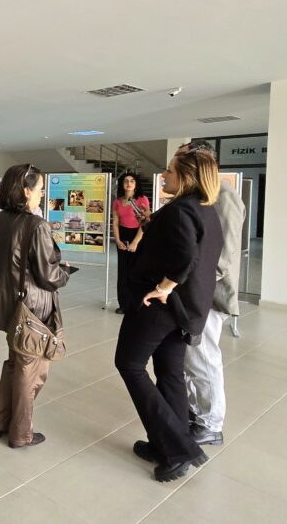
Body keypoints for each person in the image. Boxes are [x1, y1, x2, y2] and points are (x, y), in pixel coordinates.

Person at [115, 147, 223, 482]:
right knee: (170, 374)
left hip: (161, 307)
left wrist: (164, 286)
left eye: (171, 171)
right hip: (186, 309)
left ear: (187, 177)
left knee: (129, 364)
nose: (163, 175)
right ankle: (168, 443)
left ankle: (178, 448)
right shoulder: (204, 209)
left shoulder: (180, 211)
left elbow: (185, 257)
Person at [0, 164, 71, 449]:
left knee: (15, 361)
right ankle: (21, 432)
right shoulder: (37, 225)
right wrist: (66, 273)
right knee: (31, 368)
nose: (42, 195)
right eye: (40, 189)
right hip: (33, 307)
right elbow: (48, 275)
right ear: (25, 190)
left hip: (7, 301)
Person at [178, 141, 245, 446]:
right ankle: (197, 410)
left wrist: (192, 283)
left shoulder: (226, 197)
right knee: (192, 358)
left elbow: (223, 255)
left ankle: (210, 424)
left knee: (204, 356)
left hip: (208, 293)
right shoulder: (202, 196)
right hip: (192, 290)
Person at [112, 172, 151, 314]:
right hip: (122, 235)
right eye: (126, 181)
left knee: (136, 270)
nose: (129, 183)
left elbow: (145, 223)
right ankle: (123, 304)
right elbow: (115, 222)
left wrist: (135, 242)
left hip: (138, 235)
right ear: (122, 184)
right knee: (123, 271)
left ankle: (137, 303)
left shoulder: (142, 200)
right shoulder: (117, 202)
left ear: (136, 184)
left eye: (132, 181)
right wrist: (117, 240)